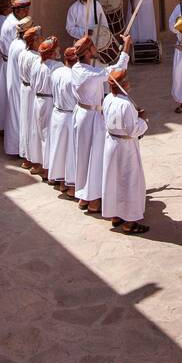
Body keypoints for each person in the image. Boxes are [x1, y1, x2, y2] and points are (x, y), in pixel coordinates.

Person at [71, 31, 131, 214]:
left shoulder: (76, 68)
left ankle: (83, 195)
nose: (96, 47)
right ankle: (94, 200)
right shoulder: (91, 74)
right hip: (92, 118)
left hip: (80, 114)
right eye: (92, 46)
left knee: (83, 155)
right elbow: (118, 70)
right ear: (89, 52)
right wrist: (126, 46)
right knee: (95, 156)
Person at [101, 60, 149, 236]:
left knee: (114, 179)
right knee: (129, 181)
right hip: (126, 147)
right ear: (124, 85)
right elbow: (133, 129)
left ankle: (116, 215)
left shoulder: (107, 99)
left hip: (111, 144)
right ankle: (130, 221)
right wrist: (144, 119)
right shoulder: (126, 105)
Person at [0, 0, 30, 138]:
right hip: (13, 65)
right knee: (14, 102)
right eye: (25, 11)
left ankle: (4, 128)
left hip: (7, 63)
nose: (27, 13)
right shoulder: (15, 26)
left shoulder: (10, 19)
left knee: (6, 99)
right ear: (18, 11)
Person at [48, 44, 79, 195]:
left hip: (57, 115)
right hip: (69, 116)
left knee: (59, 149)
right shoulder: (74, 77)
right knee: (70, 152)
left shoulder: (56, 71)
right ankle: (72, 186)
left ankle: (61, 182)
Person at [30, 36, 61, 181]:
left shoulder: (36, 64)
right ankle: (47, 170)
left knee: (41, 134)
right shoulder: (55, 67)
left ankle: (41, 164)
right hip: (49, 102)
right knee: (48, 136)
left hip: (38, 101)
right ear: (52, 53)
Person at [3, 8, 32, 157]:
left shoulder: (15, 42)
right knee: (20, 118)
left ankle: (13, 148)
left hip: (14, 83)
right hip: (20, 84)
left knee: (14, 116)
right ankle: (19, 150)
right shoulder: (21, 47)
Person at [19, 24, 43, 170]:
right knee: (33, 126)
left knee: (26, 124)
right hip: (32, 92)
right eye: (40, 38)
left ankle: (27, 158)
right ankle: (34, 161)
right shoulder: (35, 58)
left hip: (24, 89)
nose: (42, 41)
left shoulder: (23, 53)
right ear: (33, 41)